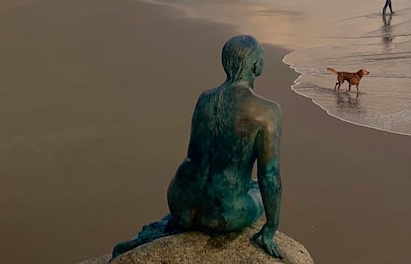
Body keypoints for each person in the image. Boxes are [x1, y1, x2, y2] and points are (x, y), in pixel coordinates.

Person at [112, 35, 283, 259]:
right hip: (223, 213)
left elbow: (197, 154)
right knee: (258, 190)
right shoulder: (267, 112)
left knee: (225, 177)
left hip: (180, 200)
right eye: (262, 55)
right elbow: (269, 175)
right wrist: (271, 228)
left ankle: (169, 226)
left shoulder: (205, 98)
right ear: (255, 65)